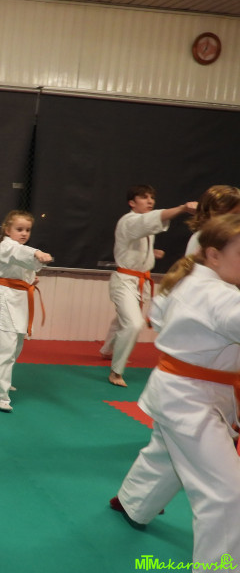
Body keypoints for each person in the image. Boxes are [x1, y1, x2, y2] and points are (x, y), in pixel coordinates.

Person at [109, 213, 240, 567]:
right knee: (228, 494)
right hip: (190, 399)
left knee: (167, 454)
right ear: (214, 255)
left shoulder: (192, 279)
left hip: (179, 390)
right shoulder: (218, 295)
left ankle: (133, 503)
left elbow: (160, 316)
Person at [100, 185, 197, 387]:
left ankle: (108, 350)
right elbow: (150, 221)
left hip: (139, 281)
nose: (150, 201)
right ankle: (116, 371)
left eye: (152, 197)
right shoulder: (129, 220)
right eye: (144, 197)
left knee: (123, 318)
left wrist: (150, 253)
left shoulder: (142, 226)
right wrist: (182, 208)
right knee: (134, 323)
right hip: (124, 280)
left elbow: (129, 244)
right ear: (132, 202)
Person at [0, 210, 53, 413]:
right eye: (19, 229)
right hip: (5, 298)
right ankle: (1, 396)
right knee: (5, 348)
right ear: (7, 230)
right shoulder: (6, 245)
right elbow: (18, 253)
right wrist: (37, 253)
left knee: (15, 345)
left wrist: (30, 279)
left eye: (27, 230)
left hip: (20, 299)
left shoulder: (19, 248)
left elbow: (25, 264)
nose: (24, 233)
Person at [185, 185, 240, 256]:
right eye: (235, 214)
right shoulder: (200, 239)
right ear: (212, 215)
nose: (238, 219)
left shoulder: (235, 237)